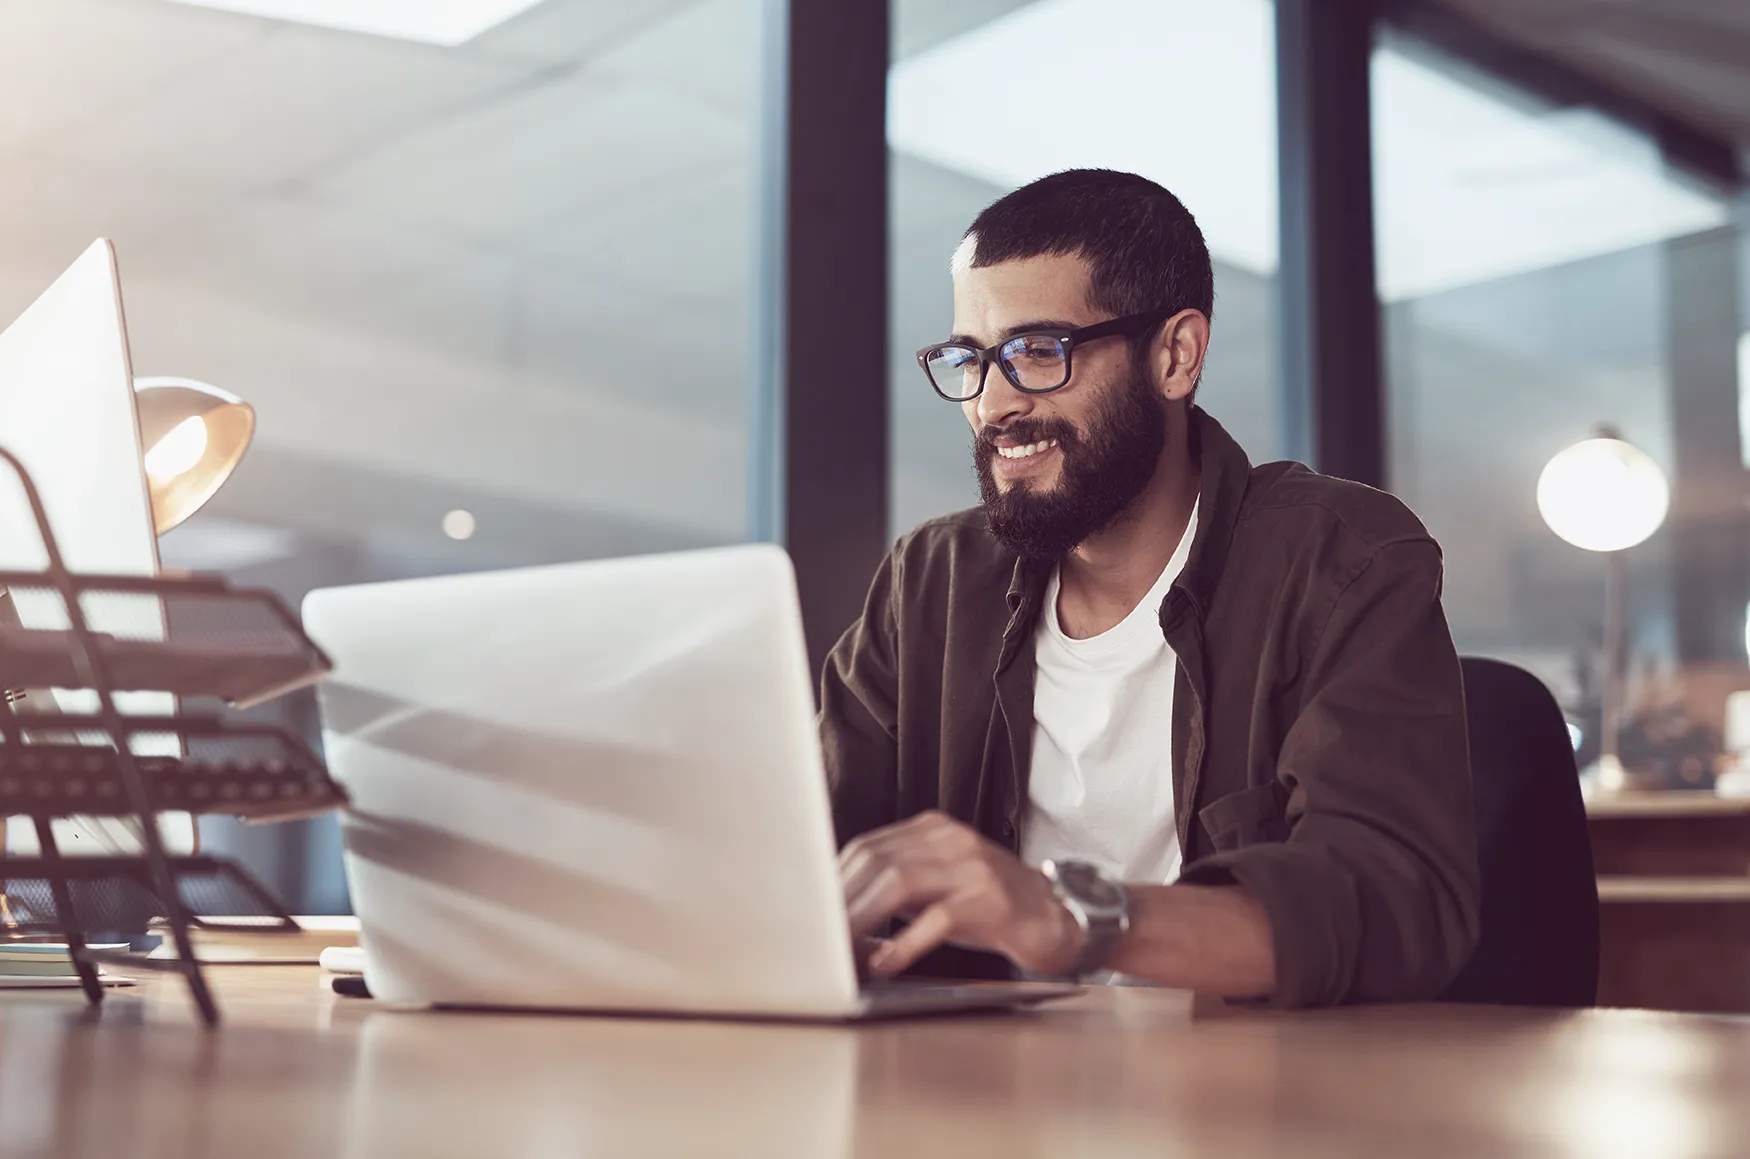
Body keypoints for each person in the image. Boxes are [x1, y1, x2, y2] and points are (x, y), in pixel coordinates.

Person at [822, 169, 1479, 1007]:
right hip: (978, 1092)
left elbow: (1394, 901)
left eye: (1037, 351)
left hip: (1251, 1100)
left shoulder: (1341, 559)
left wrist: (1072, 917)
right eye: (971, 359)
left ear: (1175, 355)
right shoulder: (931, 583)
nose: (991, 405)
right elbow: (804, 844)